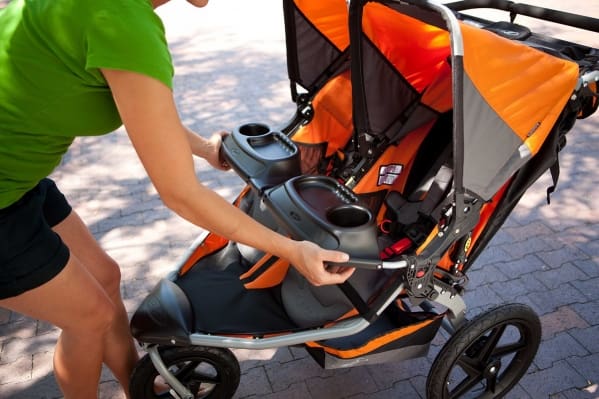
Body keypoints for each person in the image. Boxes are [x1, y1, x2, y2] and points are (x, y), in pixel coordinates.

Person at [0, 0, 355, 397]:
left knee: (106, 278)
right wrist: (291, 249)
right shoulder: (124, 25)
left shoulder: (110, 14)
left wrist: (205, 148)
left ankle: (139, 388)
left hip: (19, 184)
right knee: (89, 318)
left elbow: (145, 114)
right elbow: (181, 195)